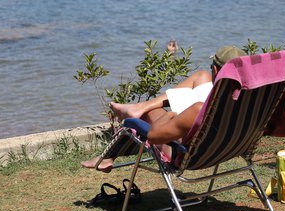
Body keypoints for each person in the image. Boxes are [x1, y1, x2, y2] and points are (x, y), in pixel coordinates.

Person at [82, 46, 247, 172]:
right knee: (201, 76)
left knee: (145, 115)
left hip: (181, 152)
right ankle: (138, 108)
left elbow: (154, 137)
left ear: (217, 70)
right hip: (226, 148)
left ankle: (112, 150)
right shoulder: (249, 103)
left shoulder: (200, 110)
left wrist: (170, 118)